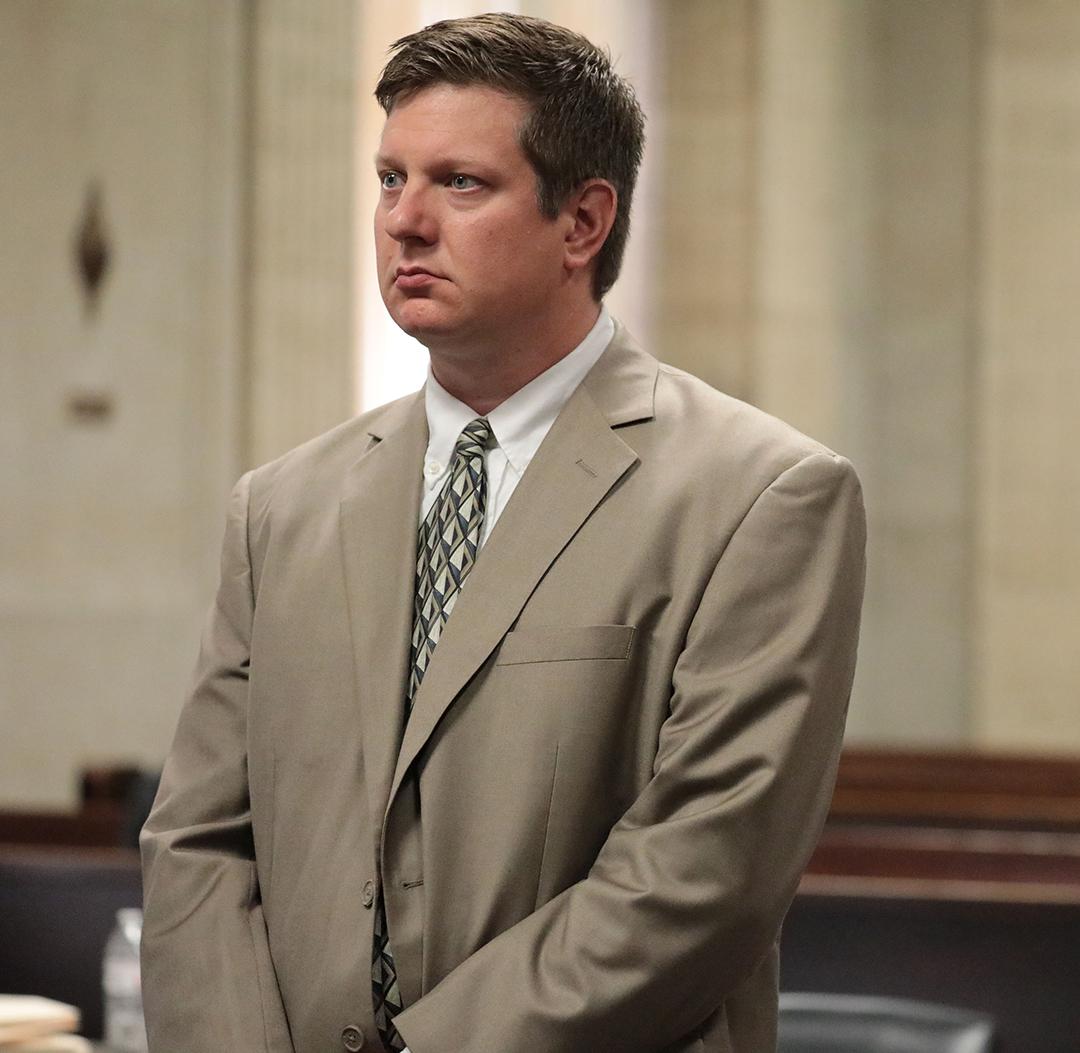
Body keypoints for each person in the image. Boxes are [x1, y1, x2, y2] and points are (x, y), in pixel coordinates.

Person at [139, 14, 866, 1053]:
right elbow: (200, 842)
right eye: (391, 180)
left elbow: (702, 879)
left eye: (461, 184)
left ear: (583, 223)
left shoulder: (761, 495)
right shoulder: (282, 508)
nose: (405, 222)